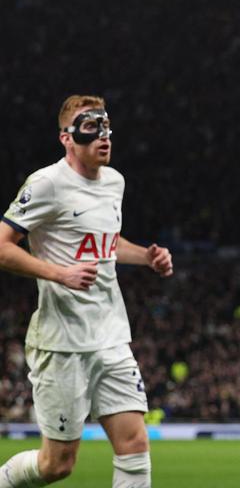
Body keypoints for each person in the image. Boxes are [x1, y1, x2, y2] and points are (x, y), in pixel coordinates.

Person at [0, 95, 173, 487]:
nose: (103, 135)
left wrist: (146, 256)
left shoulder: (115, 183)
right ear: (66, 138)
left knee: (134, 443)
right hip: (61, 342)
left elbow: (107, 243)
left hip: (110, 336)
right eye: (90, 126)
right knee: (56, 465)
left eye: (106, 126)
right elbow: (2, 246)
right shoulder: (47, 184)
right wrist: (59, 274)